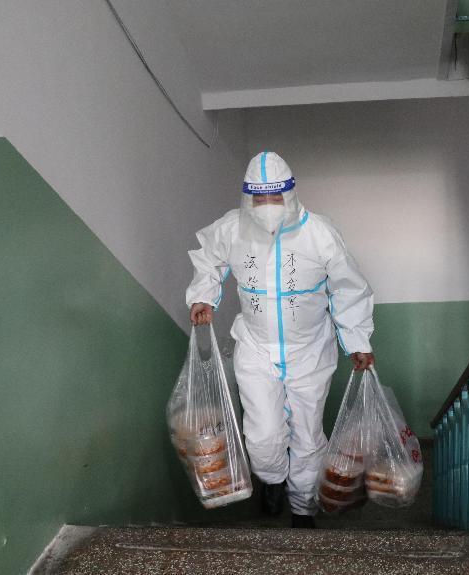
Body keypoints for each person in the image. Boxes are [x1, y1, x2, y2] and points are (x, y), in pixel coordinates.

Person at [186, 151, 374, 528]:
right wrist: (203, 295)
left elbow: (348, 288)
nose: (268, 206)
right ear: (248, 197)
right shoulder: (233, 229)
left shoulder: (320, 233)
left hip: (310, 350)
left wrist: (358, 340)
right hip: (256, 348)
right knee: (262, 436)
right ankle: (273, 479)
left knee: (308, 435)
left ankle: (303, 509)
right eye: (259, 198)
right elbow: (208, 259)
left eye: (275, 196)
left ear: (290, 193)